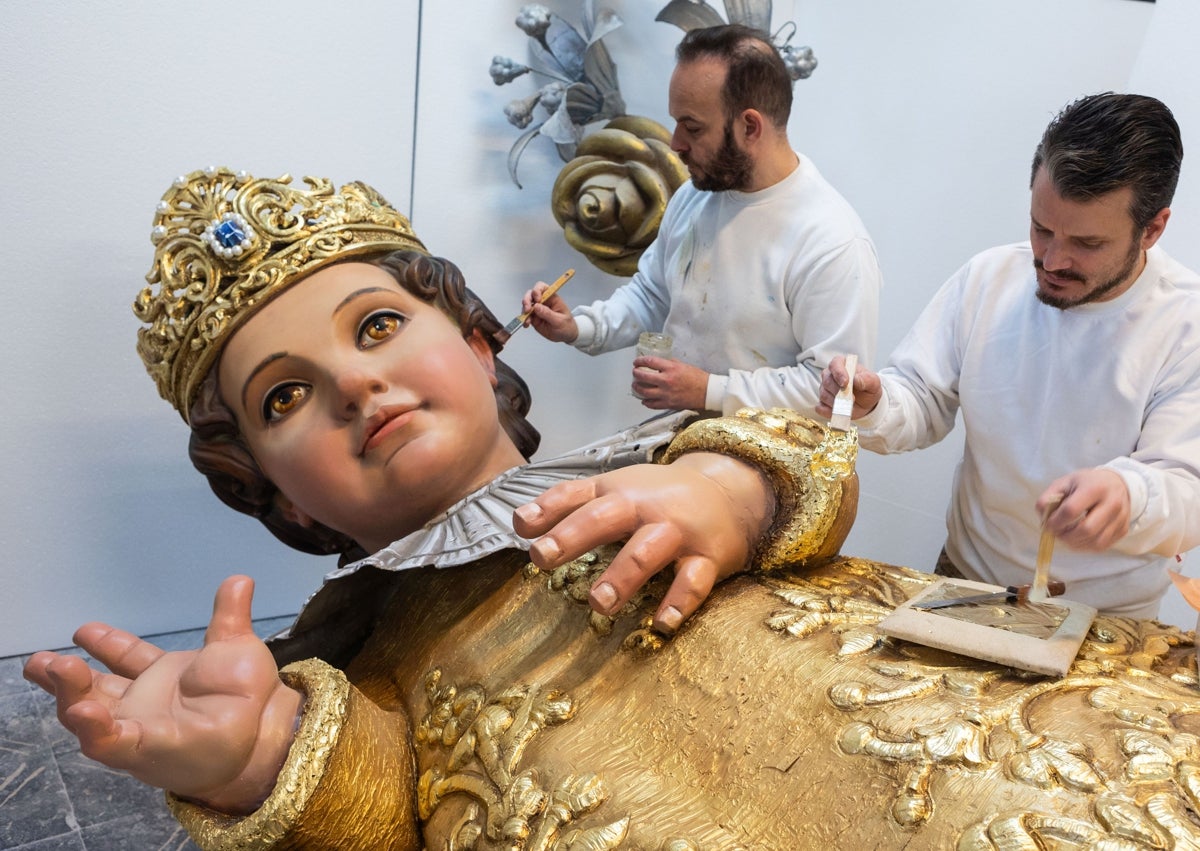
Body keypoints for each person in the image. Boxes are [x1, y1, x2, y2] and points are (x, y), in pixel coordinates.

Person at [22, 167, 1200, 850]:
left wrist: (729, 487)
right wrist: (262, 757)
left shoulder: (650, 455)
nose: (355, 384)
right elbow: (382, 805)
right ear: (270, 490)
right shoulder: (357, 659)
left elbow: (808, 465)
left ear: (480, 340)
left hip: (994, 738)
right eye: (286, 396)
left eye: (378, 326)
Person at [818, 93, 1200, 619]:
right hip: (966, 582)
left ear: (1152, 230)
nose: (1053, 259)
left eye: (1086, 243)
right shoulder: (989, 280)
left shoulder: (1186, 323)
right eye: (1042, 228)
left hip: (1106, 621)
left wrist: (1128, 493)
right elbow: (922, 398)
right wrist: (877, 403)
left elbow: (1188, 484)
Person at [522, 24, 881, 416]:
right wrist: (579, 327)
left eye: (692, 127)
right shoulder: (694, 197)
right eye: (675, 122)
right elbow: (653, 294)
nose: (675, 144)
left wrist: (709, 391)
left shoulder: (831, 241)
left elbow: (836, 396)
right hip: (680, 438)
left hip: (775, 464)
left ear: (750, 127)